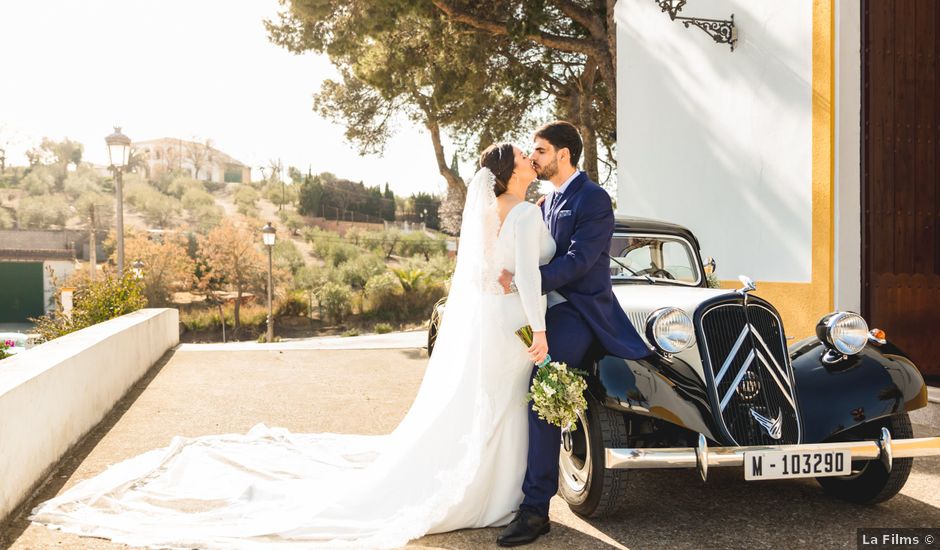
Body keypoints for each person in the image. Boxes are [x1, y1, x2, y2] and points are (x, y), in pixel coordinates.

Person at [29, 143, 557, 550]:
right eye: (523, 158)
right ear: (511, 171)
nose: (531, 161)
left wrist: (510, 288)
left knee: (483, 402)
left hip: (486, 320)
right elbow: (527, 278)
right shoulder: (528, 213)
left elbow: (487, 274)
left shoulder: (488, 213)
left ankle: (493, 486)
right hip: (511, 321)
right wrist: (539, 328)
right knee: (506, 403)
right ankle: (501, 491)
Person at [496, 121, 651, 547]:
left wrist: (527, 282)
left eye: (540, 150)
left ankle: (535, 510)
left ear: (564, 154)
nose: (533, 157)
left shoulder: (594, 198)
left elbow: (581, 262)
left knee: (542, 389)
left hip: (579, 312)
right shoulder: (545, 201)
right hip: (544, 309)